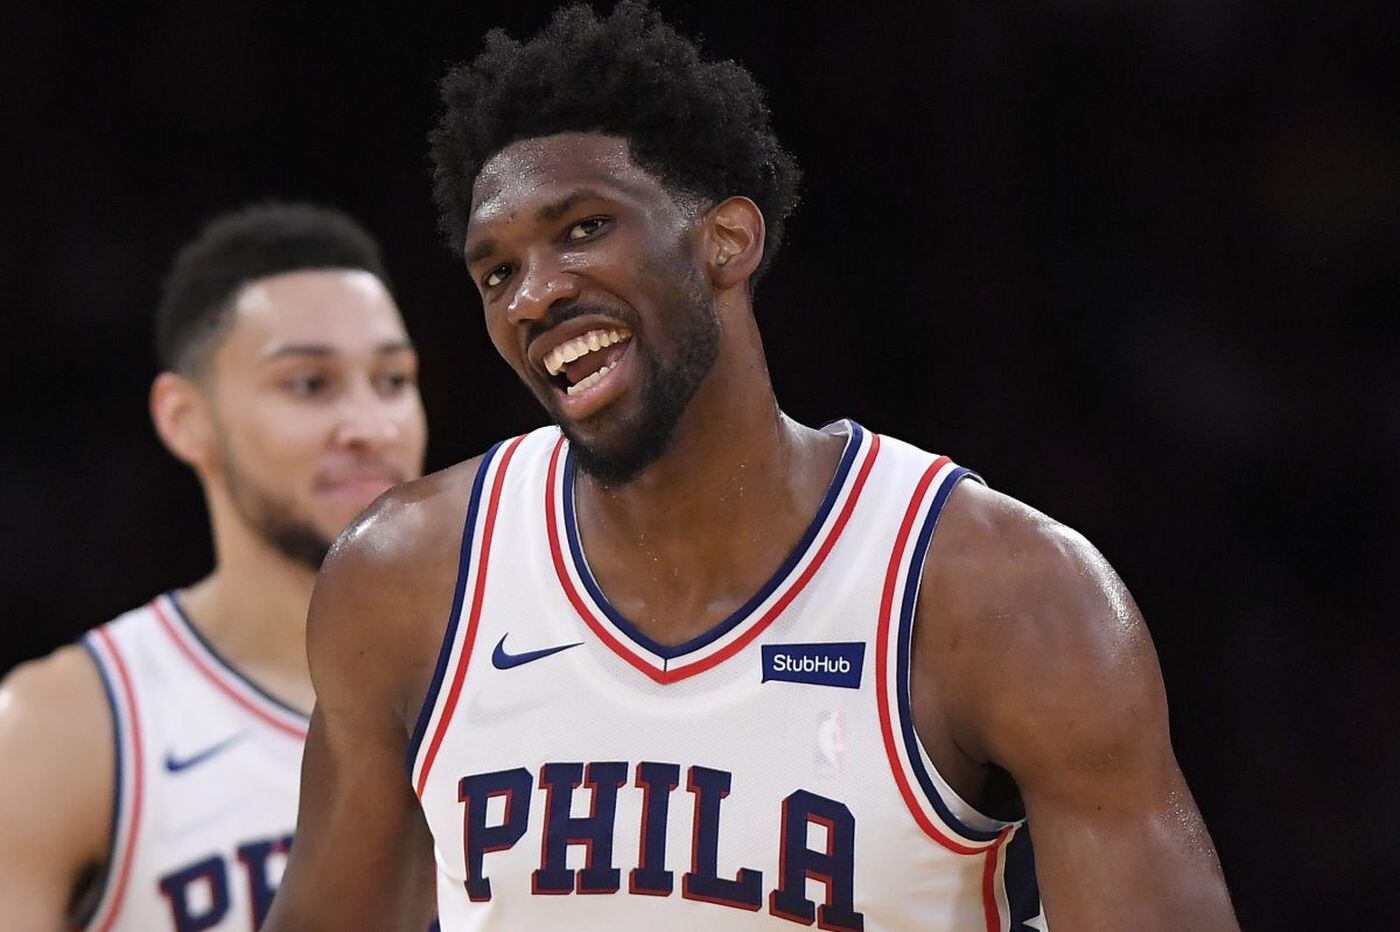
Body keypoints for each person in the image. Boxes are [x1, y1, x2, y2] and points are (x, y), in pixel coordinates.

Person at [264, 4, 1238, 929]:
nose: (534, 295)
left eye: (583, 228)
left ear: (726, 242)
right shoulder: (405, 581)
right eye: (498, 271)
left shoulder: (1004, 595)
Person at [0, 202, 428, 930]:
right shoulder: (62, 730)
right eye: (309, 384)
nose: (370, 426)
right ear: (185, 419)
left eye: (392, 379)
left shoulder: (518, 670)